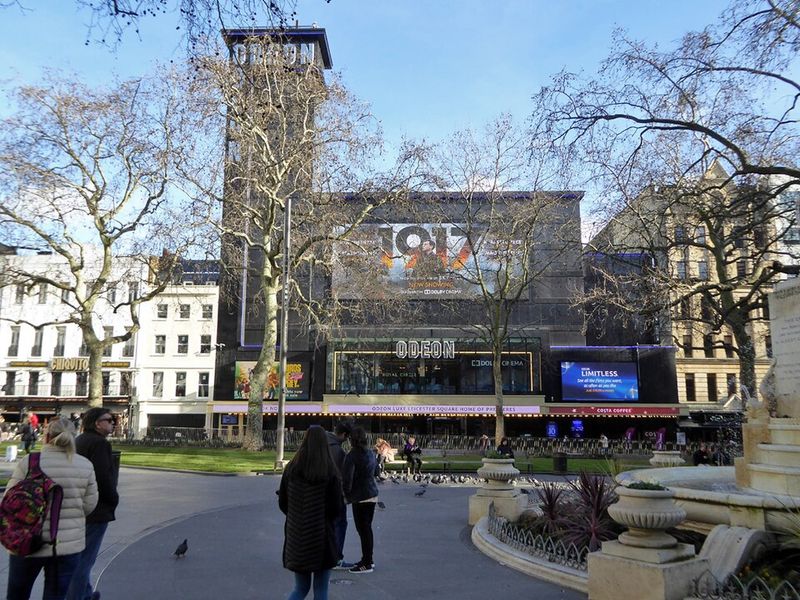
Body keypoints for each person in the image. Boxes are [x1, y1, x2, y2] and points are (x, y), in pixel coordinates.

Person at [4, 418, 98, 600]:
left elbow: (10, 498)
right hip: (66, 545)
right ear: (74, 436)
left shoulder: (30, 462)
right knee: (55, 595)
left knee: (17, 594)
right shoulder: (85, 465)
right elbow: (89, 505)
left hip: (27, 539)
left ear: (46, 436)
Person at [279, 426, 343, 600]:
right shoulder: (330, 472)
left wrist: (298, 517)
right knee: (321, 590)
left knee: (300, 588)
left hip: (297, 537)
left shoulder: (291, 469)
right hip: (321, 538)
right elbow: (336, 508)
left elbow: (283, 503)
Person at [66, 408, 120, 600]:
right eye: (109, 420)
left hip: (76, 505)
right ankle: (77, 596)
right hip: (96, 509)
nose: (113, 422)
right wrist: (113, 498)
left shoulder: (79, 440)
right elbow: (102, 476)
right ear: (98, 423)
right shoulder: (99, 444)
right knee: (85, 559)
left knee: (79, 556)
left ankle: (85, 594)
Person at [341, 426, 379, 574]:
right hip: (372, 493)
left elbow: (347, 479)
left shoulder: (352, 455)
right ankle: (368, 559)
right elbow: (376, 471)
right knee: (367, 528)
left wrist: (346, 494)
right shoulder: (370, 453)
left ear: (352, 440)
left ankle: (367, 562)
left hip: (360, 495)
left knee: (363, 529)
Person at [326, 421, 353, 571]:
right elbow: (343, 476)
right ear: (344, 435)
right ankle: (336, 557)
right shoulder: (338, 452)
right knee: (340, 524)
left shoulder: (320, 443)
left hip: (320, 491)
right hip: (335, 493)